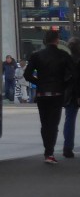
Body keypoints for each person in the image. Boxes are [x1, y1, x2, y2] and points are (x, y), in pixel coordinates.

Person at [24, 29, 74, 164]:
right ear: (57, 40)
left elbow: (27, 75)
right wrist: (64, 85)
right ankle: (49, 153)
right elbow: (74, 73)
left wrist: (39, 82)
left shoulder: (36, 55)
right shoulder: (63, 55)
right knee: (53, 123)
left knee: (45, 123)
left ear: (45, 41)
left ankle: (47, 150)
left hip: (42, 93)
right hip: (57, 93)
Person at [65, 38, 80, 158]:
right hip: (76, 93)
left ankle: (68, 147)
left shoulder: (66, 59)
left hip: (70, 94)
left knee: (69, 120)